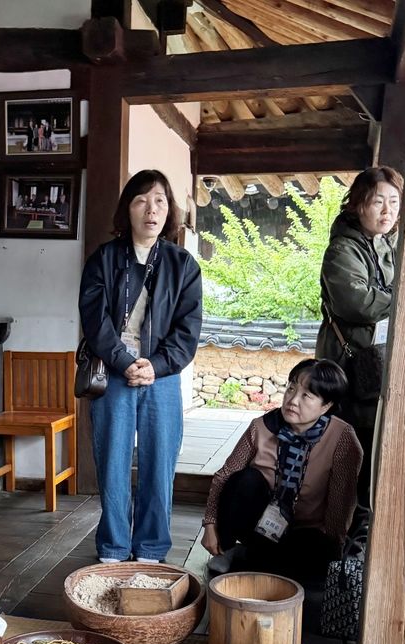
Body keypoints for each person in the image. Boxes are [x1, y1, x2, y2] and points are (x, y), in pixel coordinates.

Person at [78, 169, 202, 563]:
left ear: (170, 211)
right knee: (113, 462)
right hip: (115, 374)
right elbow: (94, 321)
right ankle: (113, 547)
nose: (152, 210)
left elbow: (188, 329)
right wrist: (125, 362)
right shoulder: (105, 259)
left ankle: (150, 547)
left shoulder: (184, 264)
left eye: (160, 202)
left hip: (161, 377)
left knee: (159, 463)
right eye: (142, 201)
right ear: (127, 209)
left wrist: (157, 365)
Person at [201, 359, 362, 584]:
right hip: (258, 528)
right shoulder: (261, 426)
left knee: (309, 558)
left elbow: (341, 501)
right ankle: (235, 551)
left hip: (304, 533)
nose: (293, 400)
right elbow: (224, 476)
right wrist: (210, 524)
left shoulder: (342, 438)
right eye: (291, 388)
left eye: (306, 396)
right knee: (245, 480)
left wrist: (333, 550)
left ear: (326, 405)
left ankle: (250, 560)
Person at [315, 166, 403, 505]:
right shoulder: (343, 250)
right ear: (357, 204)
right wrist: (404, 296)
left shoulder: (386, 245)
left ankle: (358, 534)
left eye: (394, 202)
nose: (387, 211)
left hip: (375, 367)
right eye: (378, 201)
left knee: (372, 452)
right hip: (348, 368)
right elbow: (359, 303)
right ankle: (336, 533)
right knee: (347, 451)